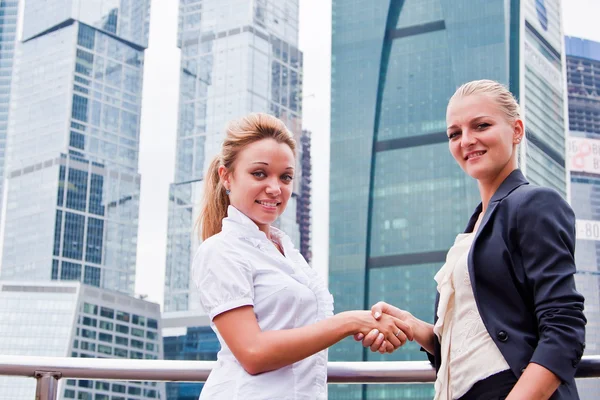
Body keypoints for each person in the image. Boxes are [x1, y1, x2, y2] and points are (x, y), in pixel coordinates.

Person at [358, 80, 586, 399]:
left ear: (516, 130)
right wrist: (414, 327)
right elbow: (475, 344)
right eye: (455, 133)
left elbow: (564, 329)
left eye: (481, 125)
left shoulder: (534, 203)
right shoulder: (474, 227)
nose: (467, 140)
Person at [192, 113, 412, 400]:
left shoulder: (288, 254)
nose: (275, 188)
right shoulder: (221, 250)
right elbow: (253, 353)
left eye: (285, 177)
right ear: (226, 177)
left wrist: (371, 327)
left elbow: (305, 337)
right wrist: (350, 323)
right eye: (259, 173)